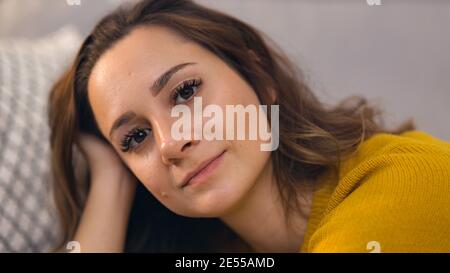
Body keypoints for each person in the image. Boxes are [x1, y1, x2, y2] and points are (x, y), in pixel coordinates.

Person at [48, 0, 450, 253]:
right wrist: (111, 183)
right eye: (136, 137)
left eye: (185, 91)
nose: (171, 142)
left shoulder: (404, 187)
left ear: (258, 74)